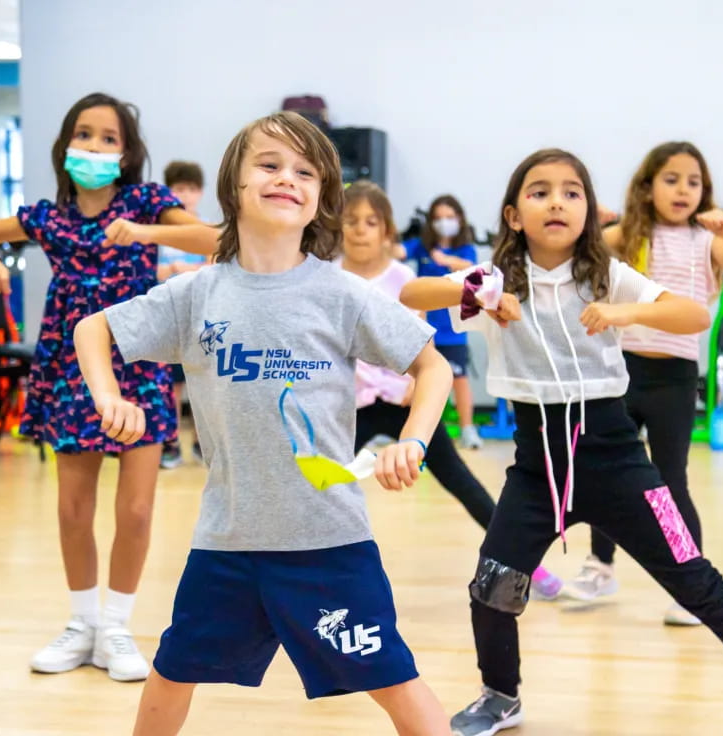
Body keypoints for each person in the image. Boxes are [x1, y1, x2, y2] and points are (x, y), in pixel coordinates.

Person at [399, 148, 723, 736]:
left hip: (622, 461)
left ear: (589, 212)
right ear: (514, 214)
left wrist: (623, 312)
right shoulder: (493, 279)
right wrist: (477, 294)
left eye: (572, 192)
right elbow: (412, 295)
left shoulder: (606, 274)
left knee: (697, 578)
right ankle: (501, 696)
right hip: (535, 471)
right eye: (540, 190)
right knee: (492, 586)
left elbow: (693, 315)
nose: (557, 201)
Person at [74, 111, 454, 736]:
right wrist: (107, 396)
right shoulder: (198, 293)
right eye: (271, 164)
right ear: (235, 185)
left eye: (306, 172)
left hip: (328, 543)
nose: (288, 179)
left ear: (320, 200)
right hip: (228, 543)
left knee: (392, 679)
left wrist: (412, 439)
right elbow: (94, 328)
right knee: (172, 672)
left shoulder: (341, 294)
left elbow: (431, 366)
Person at [0, 92, 217, 681]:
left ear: (127, 154)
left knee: (139, 509)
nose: (94, 146)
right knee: (73, 507)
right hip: (69, 365)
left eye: (108, 138)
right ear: (65, 145)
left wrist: (146, 232)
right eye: (84, 135)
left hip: (140, 359)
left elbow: (217, 240)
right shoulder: (46, 217)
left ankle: (117, 626)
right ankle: (82, 624)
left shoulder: (147, 202)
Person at [561, 141, 723, 629]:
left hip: (674, 377)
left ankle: (691, 582)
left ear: (705, 193)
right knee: (606, 473)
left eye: (693, 182)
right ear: (648, 188)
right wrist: (594, 223)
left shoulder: (705, 241)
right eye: (671, 179)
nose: (683, 190)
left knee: (670, 480)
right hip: (621, 370)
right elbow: (577, 253)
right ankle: (601, 567)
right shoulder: (629, 233)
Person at [342, 179, 562, 599]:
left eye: (370, 221)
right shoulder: (329, 277)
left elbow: (419, 339)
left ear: (387, 230)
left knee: (462, 482)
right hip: (351, 405)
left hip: (406, 401)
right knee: (322, 483)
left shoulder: (402, 277)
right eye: (350, 221)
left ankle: (526, 566)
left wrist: (411, 388)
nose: (359, 229)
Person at [399, 195, 483, 449]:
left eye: (449, 217)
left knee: (460, 379)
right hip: (424, 329)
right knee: (415, 380)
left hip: (454, 330)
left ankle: (468, 430)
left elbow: (472, 267)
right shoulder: (421, 246)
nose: (444, 223)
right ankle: (410, 431)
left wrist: (445, 260)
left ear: (459, 220)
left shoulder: (464, 250)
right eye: (438, 218)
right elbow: (396, 252)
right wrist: (394, 236)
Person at [157, 160, 210, 468]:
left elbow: (213, 265)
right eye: (179, 189)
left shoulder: (204, 230)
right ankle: (171, 443)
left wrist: (182, 269)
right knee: (171, 386)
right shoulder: (160, 232)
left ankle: (204, 443)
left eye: (191, 189)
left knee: (203, 382)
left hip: (201, 317)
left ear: (200, 193)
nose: (185, 195)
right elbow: (150, 270)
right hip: (169, 317)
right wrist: (168, 269)